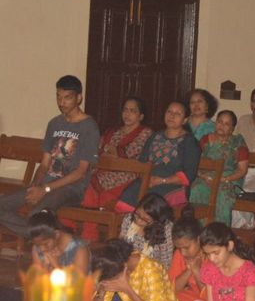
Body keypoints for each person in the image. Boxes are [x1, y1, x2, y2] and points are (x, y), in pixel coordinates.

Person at [0, 75, 100, 237]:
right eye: (58, 97)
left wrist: (45, 189)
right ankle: (50, 236)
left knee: (37, 216)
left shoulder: (89, 127)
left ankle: (48, 236)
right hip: (46, 184)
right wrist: (35, 186)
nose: (62, 102)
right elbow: (44, 164)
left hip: (70, 188)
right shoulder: (54, 124)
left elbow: (81, 172)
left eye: (67, 97)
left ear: (79, 98)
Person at [0, 210, 90, 301]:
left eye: (46, 244)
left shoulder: (79, 249)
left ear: (56, 234)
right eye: (38, 245)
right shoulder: (37, 248)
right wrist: (47, 269)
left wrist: (56, 265)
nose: (42, 249)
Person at [79, 96, 153, 240]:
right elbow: (97, 149)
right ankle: (77, 227)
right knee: (78, 180)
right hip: (104, 170)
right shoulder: (112, 132)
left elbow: (129, 155)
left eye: (132, 111)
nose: (127, 114)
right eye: (125, 110)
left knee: (92, 186)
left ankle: (89, 233)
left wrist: (111, 151)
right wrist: (109, 151)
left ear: (141, 116)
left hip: (128, 174)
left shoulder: (145, 133)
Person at [118, 101, 200, 211]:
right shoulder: (155, 136)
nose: (172, 116)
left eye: (177, 113)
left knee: (151, 203)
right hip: (148, 181)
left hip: (173, 185)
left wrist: (162, 180)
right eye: (169, 112)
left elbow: (189, 175)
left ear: (185, 120)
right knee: (127, 196)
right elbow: (142, 163)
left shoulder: (189, 141)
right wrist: (147, 179)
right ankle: (130, 223)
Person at [190, 110, 249, 226]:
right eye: (220, 122)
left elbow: (242, 170)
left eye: (226, 124)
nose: (222, 125)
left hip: (228, 180)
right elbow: (195, 163)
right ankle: (198, 231)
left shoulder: (238, 142)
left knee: (223, 194)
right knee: (196, 189)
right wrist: (203, 176)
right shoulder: (205, 140)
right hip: (205, 178)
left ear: (232, 128)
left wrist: (224, 179)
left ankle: (220, 233)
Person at [168, 206, 208, 301]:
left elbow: (209, 297)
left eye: (186, 247)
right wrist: (189, 269)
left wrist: (196, 271)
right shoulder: (179, 254)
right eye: (179, 248)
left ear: (199, 240)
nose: (183, 252)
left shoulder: (211, 255)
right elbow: (172, 290)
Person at [119, 193, 175, 269]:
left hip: (152, 270)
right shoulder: (129, 219)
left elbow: (166, 262)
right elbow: (121, 247)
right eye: (137, 215)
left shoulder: (166, 229)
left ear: (157, 221)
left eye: (146, 220)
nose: (138, 221)